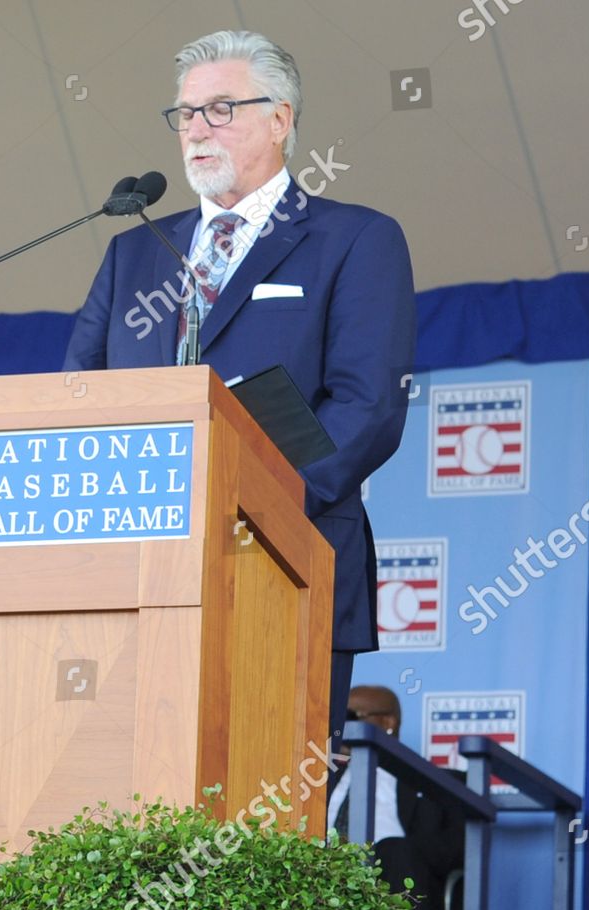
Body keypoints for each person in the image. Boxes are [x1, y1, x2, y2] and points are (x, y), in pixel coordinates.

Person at [63, 29, 415, 748]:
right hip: (135, 573)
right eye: (185, 113)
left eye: (220, 109)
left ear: (280, 119)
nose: (195, 129)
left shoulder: (354, 239)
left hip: (286, 561)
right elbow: (79, 397)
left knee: (266, 809)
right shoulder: (134, 250)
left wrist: (257, 509)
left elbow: (365, 405)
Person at [328, 685, 466, 910]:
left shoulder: (438, 784)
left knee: (395, 849)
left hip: (390, 887)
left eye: (348, 717)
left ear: (387, 722)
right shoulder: (318, 781)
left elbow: (451, 855)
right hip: (321, 885)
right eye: (334, 718)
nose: (339, 728)